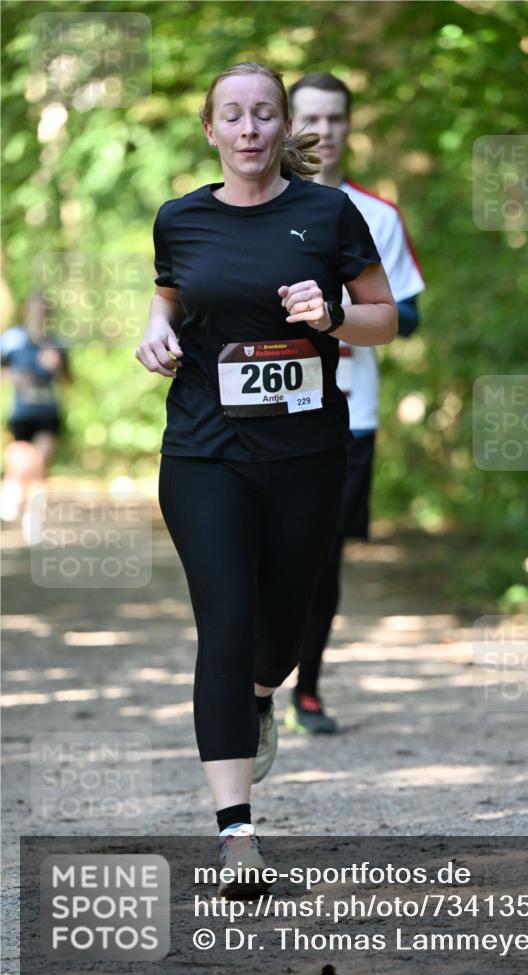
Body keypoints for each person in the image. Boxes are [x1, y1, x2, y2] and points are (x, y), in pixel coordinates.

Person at [135, 61, 397, 895]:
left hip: (307, 458)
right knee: (224, 623)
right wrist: (153, 330)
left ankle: (261, 695)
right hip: (204, 453)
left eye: (263, 116)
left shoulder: (327, 212)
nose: (248, 130)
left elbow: (383, 319)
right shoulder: (178, 218)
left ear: (285, 130)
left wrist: (332, 315)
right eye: (232, 117)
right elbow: (171, 298)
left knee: (279, 636)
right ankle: (236, 831)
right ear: (210, 132)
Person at [285, 73, 425, 734]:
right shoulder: (250, 206)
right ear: (287, 124)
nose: (324, 131)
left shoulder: (377, 216)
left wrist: (345, 308)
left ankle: (305, 690)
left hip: (349, 411)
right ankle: (257, 680)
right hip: (264, 411)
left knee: (322, 559)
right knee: (260, 556)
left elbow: (410, 314)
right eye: (311, 117)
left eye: (336, 118)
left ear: (349, 125)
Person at [0, 291, 70, 539]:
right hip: (21, 412)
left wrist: (57, 366)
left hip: (48, 411)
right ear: (27, 310)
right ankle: (11, 487)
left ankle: (34, 518)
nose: (40, 313)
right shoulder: (12, 339)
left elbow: (69, 380)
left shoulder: (57, 342)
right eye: (36, 308)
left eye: (44, 309)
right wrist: (18, 379)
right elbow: (3, 372)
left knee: (40, 463)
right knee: (21, 462)